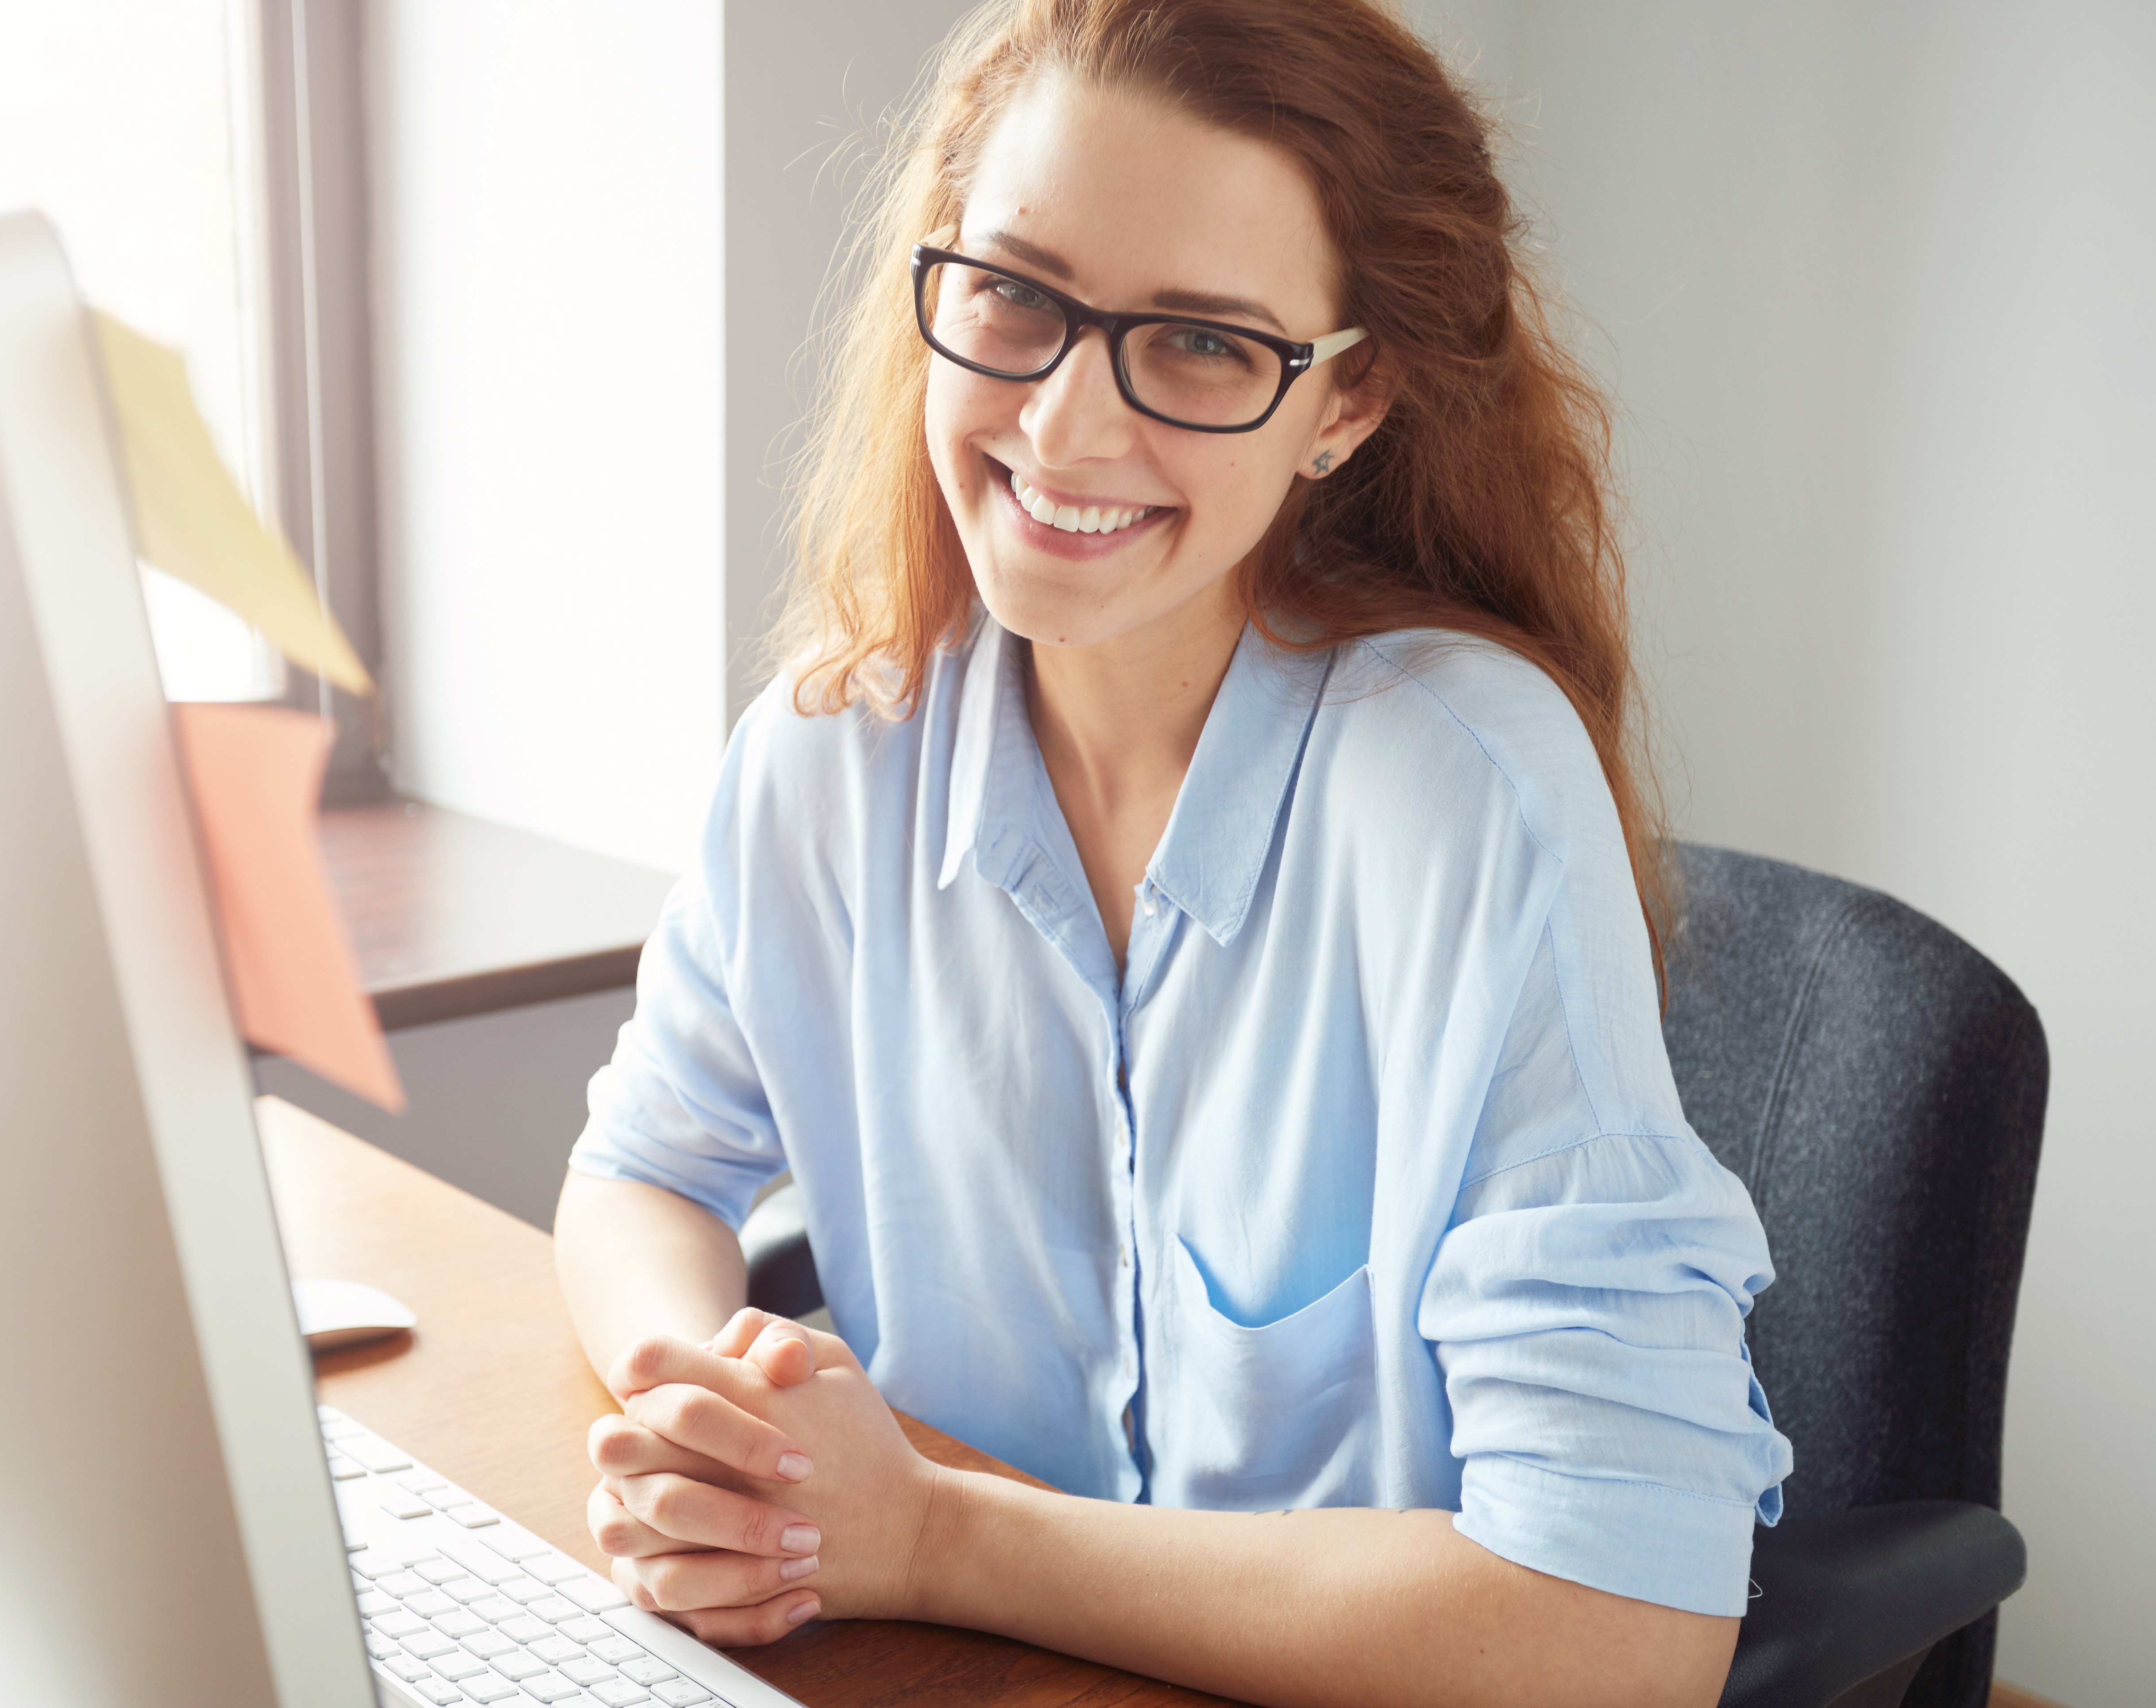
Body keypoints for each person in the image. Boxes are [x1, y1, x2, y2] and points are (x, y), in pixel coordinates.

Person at [551, 1, 1791, 1702]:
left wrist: (925, 1532)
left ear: (1347, 404)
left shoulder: (1462, 786)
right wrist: (724, 1433)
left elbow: (1624, 1627)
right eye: (1015, 293)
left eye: (1202, 343)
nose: (1063, 429)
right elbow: (641, 1171)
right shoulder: (831, 758)